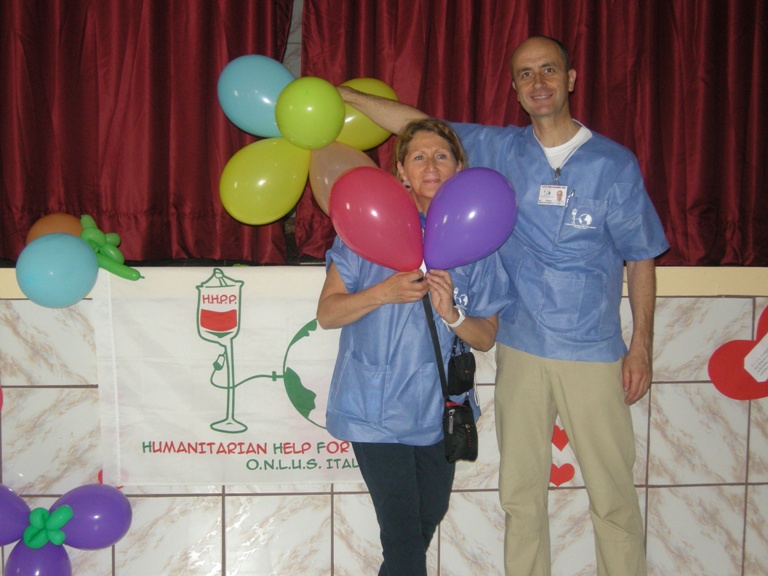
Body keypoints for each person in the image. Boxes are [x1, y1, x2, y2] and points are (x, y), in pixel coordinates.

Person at [337, 35, 669, 576]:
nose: (539, 83)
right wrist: (346, 97)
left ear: (570, 78)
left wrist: (642, 347)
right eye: (525, 74)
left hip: (593, 352)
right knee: (520, 496)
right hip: (520, 347)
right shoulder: (501, 149)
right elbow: (418, 128)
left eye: (549, 70)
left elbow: (642, 256)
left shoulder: (614, 164)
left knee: (612, 497)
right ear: (515, 88)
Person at [317, 118, 510, 576]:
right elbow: (328, 313)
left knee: (424, 522)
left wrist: (453, 314)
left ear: (459, 166)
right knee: (404, 541)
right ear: (401, 170)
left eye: (442, 156)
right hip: (374, 409)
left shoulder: (479, 235)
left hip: (440, 410)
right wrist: (382, 293)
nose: (431, 166)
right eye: (418, 157)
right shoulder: (366, 227)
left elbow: (486, 336)